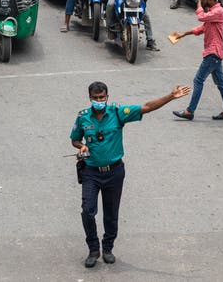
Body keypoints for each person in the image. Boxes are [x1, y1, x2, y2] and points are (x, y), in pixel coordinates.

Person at [70, 81, 191, 268]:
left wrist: (170, 96)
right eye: (95, 98)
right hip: (91, 172)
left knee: (111, 214)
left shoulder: (118, 113)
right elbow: (75, 140)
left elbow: (147, 107)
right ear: (90, 99)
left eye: (102, 97)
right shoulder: (83, 117)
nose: (99, 101)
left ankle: (108, 248)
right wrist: (82, 146)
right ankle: (93, 249)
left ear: (107, 97)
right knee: (87, 210)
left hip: (114, 172)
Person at [171, 0, 223, 121]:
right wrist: (183, 34)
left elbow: (201, 17)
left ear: (210, 0)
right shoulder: (213, 12)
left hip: (212, 53)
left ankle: (189, 111)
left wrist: (198, 2)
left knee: (198, 80)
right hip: (215, 53)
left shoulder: (218, 12)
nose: (202, 1)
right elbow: (202, 28)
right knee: (221, 83)